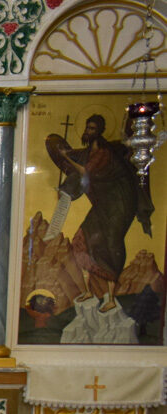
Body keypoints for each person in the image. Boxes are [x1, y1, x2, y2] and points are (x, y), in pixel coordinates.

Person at [47, 113, 153, 313]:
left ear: (100, 131)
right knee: (81, 240)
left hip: (118, 204)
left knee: (111, 246)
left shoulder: (104, 153)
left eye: (92, 128)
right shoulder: (89, 152)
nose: (88, 132)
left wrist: (65, 156)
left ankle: (111, 298)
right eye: (87, 128)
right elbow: (75, 158)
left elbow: (85, 171)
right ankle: (89, 291)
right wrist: (63, 152)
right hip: (102, 205)